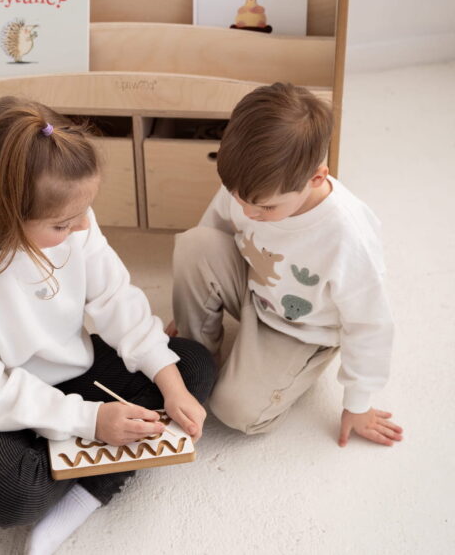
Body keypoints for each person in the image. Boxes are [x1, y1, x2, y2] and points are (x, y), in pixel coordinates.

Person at [0, 96, 216, 554]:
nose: (83, 226)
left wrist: (169, 382)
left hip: (71, 368)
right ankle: (77, 458)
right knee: (9, 497)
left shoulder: (76, 223)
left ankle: (86, 493)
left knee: (193, 367)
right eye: (63, 224)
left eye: (84, 213)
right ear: (1, 214)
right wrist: (89, 419)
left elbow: (115, 299)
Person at [166, 82, 403, 448]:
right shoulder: (250, 185)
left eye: (265, 208)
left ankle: (284, 367)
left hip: (302, 329)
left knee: (235, 411)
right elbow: (213, 232)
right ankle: (200, 351)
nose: (246, 212)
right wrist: (191, 306)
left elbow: (369, 323)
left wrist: (358, 402)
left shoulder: (347, 236)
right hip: (255, 286)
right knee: (194, 244)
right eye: (238, 198)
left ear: (317, 178)